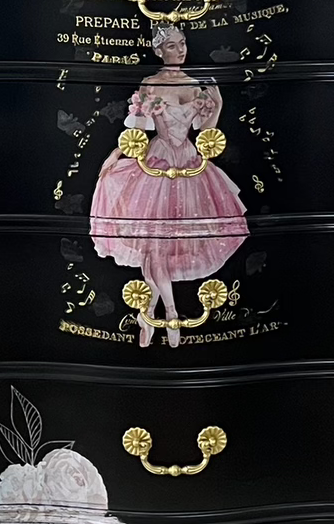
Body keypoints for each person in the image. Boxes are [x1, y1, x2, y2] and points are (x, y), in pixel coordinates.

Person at [90, 24, 248, 346]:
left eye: (183, 43)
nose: (180, 50)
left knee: (160, 247)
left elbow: (205, 133)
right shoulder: (150, 84)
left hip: (190, 165)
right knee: (154, 245)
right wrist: (115, 153)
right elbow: (136, 128)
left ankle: (147, 313)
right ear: (159, 51)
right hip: (156, 161)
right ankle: (172, 314)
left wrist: (216, 108)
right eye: (173, 46)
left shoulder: (194, 86)